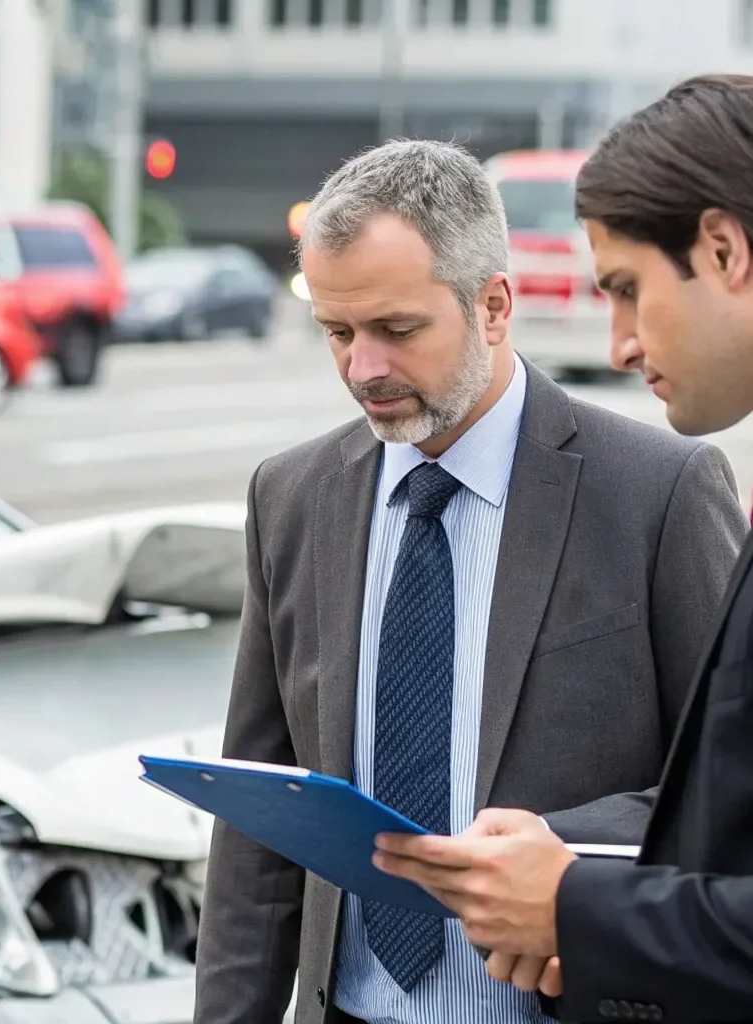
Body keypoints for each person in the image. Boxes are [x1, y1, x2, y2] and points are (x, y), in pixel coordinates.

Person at [193, 137, 748, 1024]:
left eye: (398, 330)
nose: (362, 368)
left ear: (494, 307)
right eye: (338, 332)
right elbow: (260, 830)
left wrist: (549, 858)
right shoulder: (292, 496)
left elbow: (728, 801)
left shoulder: (660, 493)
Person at [367, 76, 753, 1024]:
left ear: (723, 249)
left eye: (626, 291)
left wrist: (574, 903)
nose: (617, 342)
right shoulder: (300, 491)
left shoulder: (662, 487)